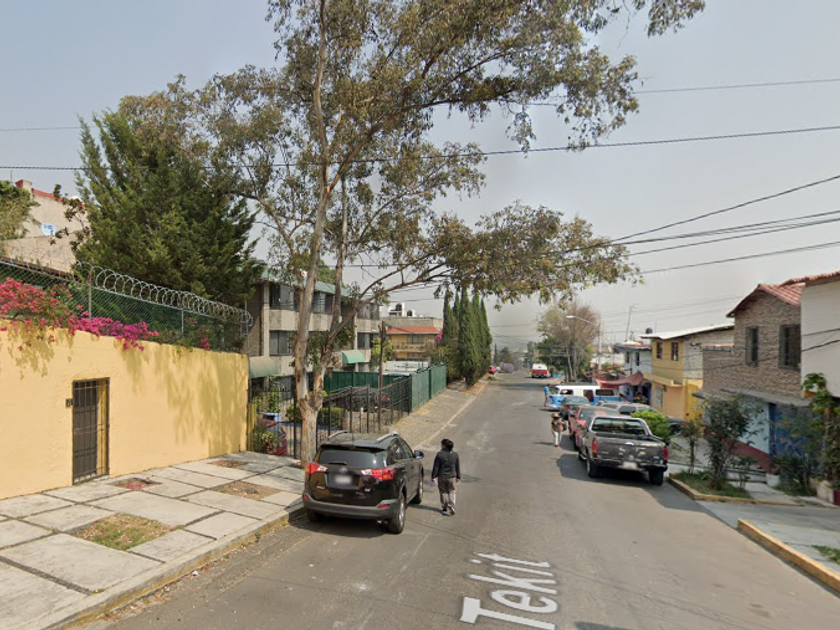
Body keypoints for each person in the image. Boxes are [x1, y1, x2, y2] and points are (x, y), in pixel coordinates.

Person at [431, 438, 460, 516]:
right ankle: (451, 504)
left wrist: (433, 476)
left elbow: (436, 466)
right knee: (452, 491)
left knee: (443, 492)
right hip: (451, 477)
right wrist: (458, 476)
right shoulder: (455, 455)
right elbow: (457, 466)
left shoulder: (439, 454)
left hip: (442, 477)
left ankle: (444, 508)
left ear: (444, 446)